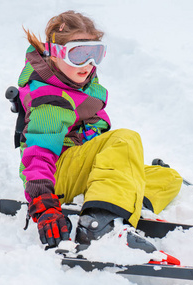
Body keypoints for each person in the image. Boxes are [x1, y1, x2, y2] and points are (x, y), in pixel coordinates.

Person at [17, 10, 182, 251]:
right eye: (78, 55)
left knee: (168, 178)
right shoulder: (51, 100)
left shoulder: (78, 84)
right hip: (58, 174)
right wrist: (44, 204)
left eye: (94, 54)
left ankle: (128, 203)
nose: (88, 64)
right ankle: (99, 224)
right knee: (125, 139)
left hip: (82, 166)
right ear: (55, 55)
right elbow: (38, 154)